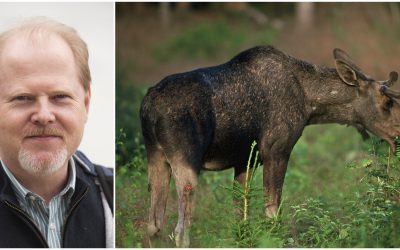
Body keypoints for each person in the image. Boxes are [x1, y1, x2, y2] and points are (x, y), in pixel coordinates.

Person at [0, 17, 114, 248]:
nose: (44, 115)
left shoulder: (113, 196)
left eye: (59, 97)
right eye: (23, 98)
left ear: (86, 102)